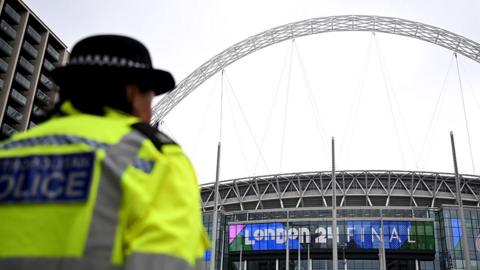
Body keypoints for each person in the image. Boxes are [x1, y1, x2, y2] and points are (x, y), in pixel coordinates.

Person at [0, 35, 209, 270]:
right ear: (132, 92)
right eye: (149, 99)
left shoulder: (8, 152)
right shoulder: (158, 159)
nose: (151, 114)